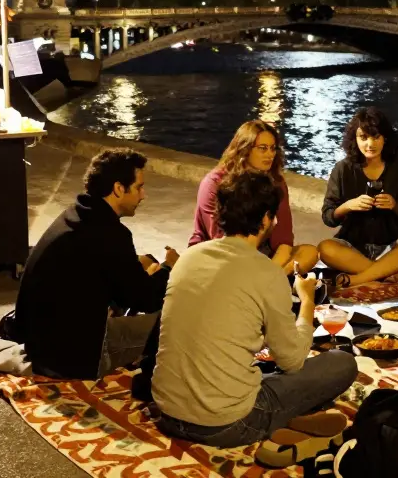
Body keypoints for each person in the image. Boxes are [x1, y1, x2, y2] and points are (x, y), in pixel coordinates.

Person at [153, 171, 358, 448]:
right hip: (225, 424)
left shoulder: (189, 257)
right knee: (340, 363)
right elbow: (292, 360)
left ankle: (290, 421)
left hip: (167, 410)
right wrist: (307, 300)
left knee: (252, 367)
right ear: (264, 219)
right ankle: (283, 423)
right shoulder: (265, 272)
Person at [13, 148, 177, 380]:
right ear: (119, 188)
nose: (143, 195)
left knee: (142, 262)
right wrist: (169, 268)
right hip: (76, 360)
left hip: (39, 347)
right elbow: (146, 299)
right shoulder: (110, 234)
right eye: (139, 187)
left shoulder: (75, 215)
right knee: (171, 323)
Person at [190, 120, 318, 275]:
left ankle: (269, 280)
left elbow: (284, 239)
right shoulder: (215, 183)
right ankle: (273, 282)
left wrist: (271, 270)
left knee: (309, 253)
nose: (270, 154)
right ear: (245, 149)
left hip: (264, 254)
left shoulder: (276, 181)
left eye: (273, 148)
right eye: (262, 148)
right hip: (223, 253)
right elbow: (220, 239)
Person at [318, 107, 398, 289]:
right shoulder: (343, 169)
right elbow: (328, 217)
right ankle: (386, 275)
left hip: (391, 246)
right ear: (355, 139)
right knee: (325, 248)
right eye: (363, 137)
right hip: (352, 247)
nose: (370, 144)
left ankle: (362, 276)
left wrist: (395, 206)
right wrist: (348, 206)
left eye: (376, 137)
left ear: (385, 139)